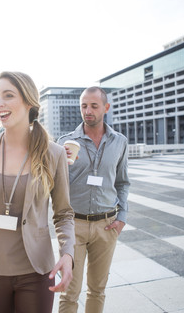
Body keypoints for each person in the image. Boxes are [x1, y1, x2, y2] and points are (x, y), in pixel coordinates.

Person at [0, 71, 75, 313]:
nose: (0, 104)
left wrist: (68, 253)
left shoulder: (54, 154)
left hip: (36, 271)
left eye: (8, 96)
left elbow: (64, 214)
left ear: (29, 102)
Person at [57, 86, 130, 313]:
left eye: (94, 106)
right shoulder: (65, 142)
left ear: (106, 108)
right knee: (70, 291)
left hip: (106, 226)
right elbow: (55, 185)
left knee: (97, 289)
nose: (87, 111)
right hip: (74, 225)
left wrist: (122, 217)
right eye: (84, 106)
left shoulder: (120, 142)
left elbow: (122, 182)